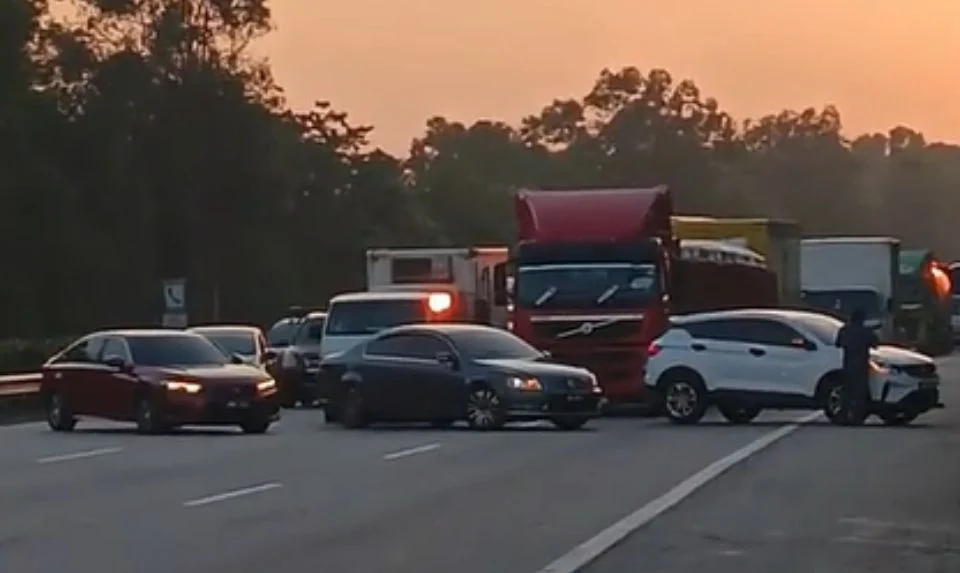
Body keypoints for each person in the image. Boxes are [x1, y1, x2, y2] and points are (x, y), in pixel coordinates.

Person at [833, 307, 879, 424]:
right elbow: (875, 344)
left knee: (847, 391)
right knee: (860, 392)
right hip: (861, 365)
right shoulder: (865, 332)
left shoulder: (844, 330)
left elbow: (838, 343)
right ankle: (857, 417)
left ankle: (843, 415)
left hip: (847, 364)